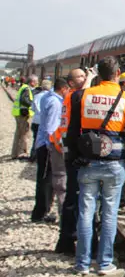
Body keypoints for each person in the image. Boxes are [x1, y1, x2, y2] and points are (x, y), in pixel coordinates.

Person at [66, 56, 125, 275]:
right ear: (118, 74)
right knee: (109, 214)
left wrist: (74, 158)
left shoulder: (81, 95)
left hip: (88, 163)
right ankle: (105, 263)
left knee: (85, 213)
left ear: (98, 74)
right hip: (114, 163)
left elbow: (72, 132)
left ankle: (82, 263)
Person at [53, 67, 91, 255]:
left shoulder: (72, 96)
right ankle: (69, 239)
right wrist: (91, 80)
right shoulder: (73, 96)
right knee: (75, 196)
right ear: (70, 82)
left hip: (70, 147)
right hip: (73, 150)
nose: (84, 78)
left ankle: (67, 239)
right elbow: (84, 98)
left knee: (74, 196)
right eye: (81, 76)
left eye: (85, 75)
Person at [31, 78, 70, 223]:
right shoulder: (55, 102)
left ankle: (40, 211)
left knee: (44, 178)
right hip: (47, 145)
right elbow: (51, 128)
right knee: (46, 180)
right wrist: (53, 146)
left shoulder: (47, 96)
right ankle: (41, 213)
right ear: (64, 89)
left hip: (42, 143)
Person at [11, 74, 38, 159]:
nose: (37, 83)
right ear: (32, 82)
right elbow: (24, 100)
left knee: (18, 133)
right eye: (36, 81)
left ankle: (15, 153)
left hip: (18, 113)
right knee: (24, 134)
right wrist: (33, 103)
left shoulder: (24, 87)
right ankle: (21, 153)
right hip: (23, 114)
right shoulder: (26, 89)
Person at [29, 79, 53, 161]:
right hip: (45, 122)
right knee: (45, 141)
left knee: (35, 139)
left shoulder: (36, 96)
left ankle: (33, 156)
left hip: (36, 121)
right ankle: (43, 158)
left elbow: (32, 108)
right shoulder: (51, 97)